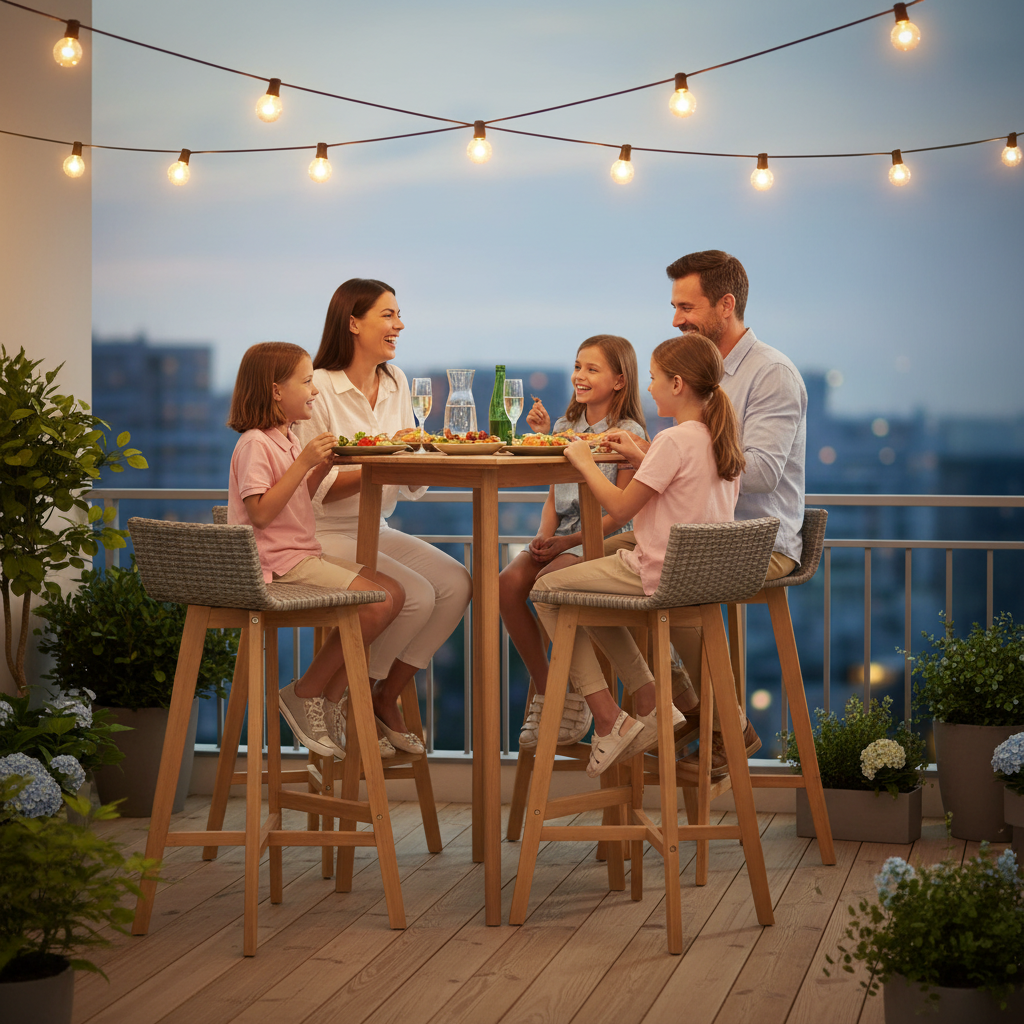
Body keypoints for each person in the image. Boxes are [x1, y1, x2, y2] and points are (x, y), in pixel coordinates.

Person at [529, 332, 747, 777]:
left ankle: (610, 718)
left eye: (654, 379)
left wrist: (585, 461)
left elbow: (621, 507)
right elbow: (682, 482)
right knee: (587, 599)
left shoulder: (672, 440)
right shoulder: (716, 436)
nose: (649, 388)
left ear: (678, 385)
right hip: (695, 579)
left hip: (657, 574)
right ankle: (651, 702)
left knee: (547, 590)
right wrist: (640, 453)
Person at [293, 278, 473, 755]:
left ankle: (380, 694)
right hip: (322, 532)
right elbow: (319, 489)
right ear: (354, 323)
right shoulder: (319, 388)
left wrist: (417, 454)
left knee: (456, 583)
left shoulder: (397, 383)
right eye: (388, 315)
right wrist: (389, 460)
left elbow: (409, 483)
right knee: (412, 593)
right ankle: (332, 694)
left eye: (398, 314)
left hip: (377, 526)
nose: (400, 324)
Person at [226, 341, 404, 759]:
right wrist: (306, 463)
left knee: (393, 593)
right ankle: (304, 692)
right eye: (306, 382)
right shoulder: (255, 443)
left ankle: (328, 698)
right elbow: (262, 513)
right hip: (277, 564)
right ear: (275, 391)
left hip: (300, 553)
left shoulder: (284, 439)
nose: (315, 390)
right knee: (377, 604)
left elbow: (294, 499)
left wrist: (316, 468)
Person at [499, 335, 647, 750]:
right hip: (564, 536)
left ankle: (579, 695)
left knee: (550, 582)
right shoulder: (565, 428)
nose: (579, 376)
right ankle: (552, 690)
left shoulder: (628, 433)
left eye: (592, 369)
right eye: (578, 366)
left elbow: (620, 512)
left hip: (604, 538)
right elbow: (554, 494)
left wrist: (568, 545)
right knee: (506, 585)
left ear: (619, 380)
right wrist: (545, 536)